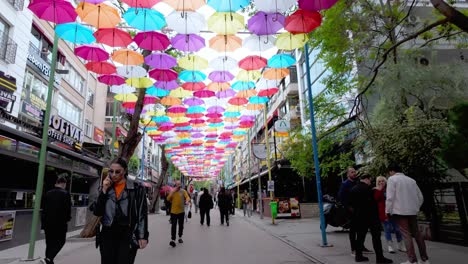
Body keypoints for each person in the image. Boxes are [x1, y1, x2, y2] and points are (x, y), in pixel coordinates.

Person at [93, 157, 149, 264]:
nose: (114, 174)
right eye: (111, 171)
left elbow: (142, 213)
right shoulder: (105, 186)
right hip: (107, 233)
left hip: (127, 234)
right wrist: (104, 190)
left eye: (117, 172)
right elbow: (97, 212)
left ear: (125, 171)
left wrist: (142, 236)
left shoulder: (136, 188)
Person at [386, 164, 428, 264]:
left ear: (391, 171)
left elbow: (390, 197)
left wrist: (388, 211)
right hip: (412, 211)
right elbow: (420, 197)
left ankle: (412, 260)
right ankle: (425, 259)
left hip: (400, 211)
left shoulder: (392, 179)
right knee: (418, 234)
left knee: (406, 235)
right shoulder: (411, 180)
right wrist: (416, 207)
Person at [349, 173, 393, 263]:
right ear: (367, 179)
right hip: (372, 217)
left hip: (359, 217)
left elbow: (351, 204)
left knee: (360, 237)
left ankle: (358, 256)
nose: (370, 182)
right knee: (376, 238)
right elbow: (374, 201)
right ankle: (380, 258)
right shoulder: (369, 189)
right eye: (370, 180)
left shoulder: (353, 189)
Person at [338, 167, 371, 256]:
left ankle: (360, 247)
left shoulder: (357, 183)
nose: (354, 173)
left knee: (362, 230)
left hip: (360, 209)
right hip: (351, 211)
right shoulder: (345, 184)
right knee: (353, 230)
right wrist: (348, 207)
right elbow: (341, 197)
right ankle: (354, 249)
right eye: (352, 172)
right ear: (348, 174)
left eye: (354, 172)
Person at [40, 176, 72, 264]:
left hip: (47, 223)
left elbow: (44, 209)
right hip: (60, 223)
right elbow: (67, 209)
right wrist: (68, 219)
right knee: (61, 241)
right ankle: (48, 259)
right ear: (63, 184)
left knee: (49, 243)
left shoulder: (48, 193)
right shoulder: (66, 194)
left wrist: (43, 225)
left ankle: (48, 260)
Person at [374, 176, 406, 253]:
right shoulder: (375, 190)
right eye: (379, 181)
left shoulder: (390, 189)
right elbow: (376, 199)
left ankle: (400, 244)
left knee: (397, 229)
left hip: (393, 211)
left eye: (383, 181)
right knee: (387, 229)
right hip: (383, 213)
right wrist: (379, 190)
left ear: (386, 182)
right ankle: (390, 245)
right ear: (377, 182)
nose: (381, 182)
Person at [167, 180, 190, 247]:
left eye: (179, 184)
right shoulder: (172, 191)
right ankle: (173, 239)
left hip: (181, 211)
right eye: (177, 184)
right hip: (173, 212)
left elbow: (187, 197)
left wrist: (187, 201)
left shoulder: (183, 191)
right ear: (175, 185)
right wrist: (172, 192)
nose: (179, 186)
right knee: (173, 225)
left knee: (181, 225)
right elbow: (168, 199)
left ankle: (180, 237)